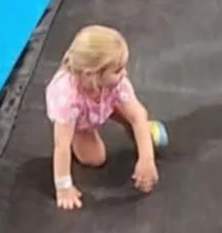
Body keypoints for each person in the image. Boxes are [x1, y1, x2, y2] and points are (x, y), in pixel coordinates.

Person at [46, 24, 168, 211]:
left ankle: (118, 117)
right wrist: (63, 187)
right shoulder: (67, 99)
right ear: (91, 74)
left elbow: (137, 114)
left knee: (139, 118)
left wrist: (146, 159)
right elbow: (61, 146)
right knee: (95, 159)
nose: (125, 73)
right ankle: (84, 129)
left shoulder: (116, 83)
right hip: (80, 121)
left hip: (104, 100)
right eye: (118, 70)